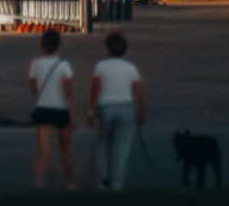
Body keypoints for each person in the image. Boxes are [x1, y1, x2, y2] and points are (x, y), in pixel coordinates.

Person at [88, 31, 145, 190]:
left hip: (106, 108)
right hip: (126, 108)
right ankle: (117, 185)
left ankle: (103, 180)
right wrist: (140, 113)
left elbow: (95, 89)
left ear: (107, 48)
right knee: (121, 150)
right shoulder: (131, 68)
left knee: (103, 144)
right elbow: (139, 92)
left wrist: (91, 111)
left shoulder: (101, 67)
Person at [28, 27, 75, 189]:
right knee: (66, 149)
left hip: (43, 109)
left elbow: (33, 86)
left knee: (43, 150)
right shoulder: (64, 65)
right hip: (61, 109)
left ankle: (39, 182)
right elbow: (68, 91)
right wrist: (72, 115)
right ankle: (70, 183)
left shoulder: (35, 63)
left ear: (42, 46)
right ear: (58, 46)